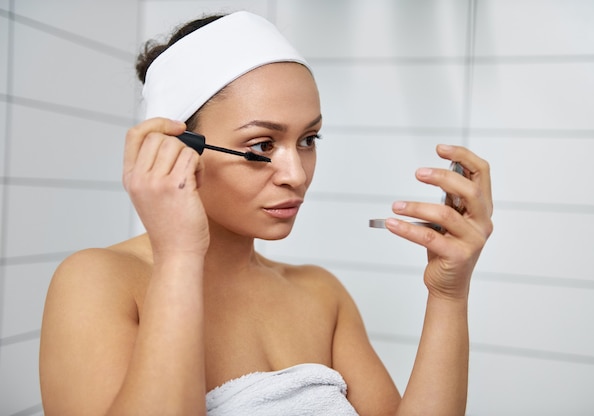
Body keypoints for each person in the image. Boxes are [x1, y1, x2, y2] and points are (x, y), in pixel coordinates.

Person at [39, 11, 493, 416]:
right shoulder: (98, 282)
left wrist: (448, 296)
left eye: (309, 140)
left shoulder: (321, 295)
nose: (295, 174)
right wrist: (179, 253)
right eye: (261, 146)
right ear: (179, 149)